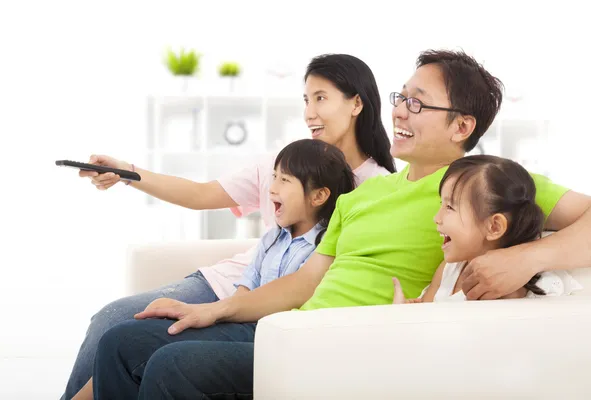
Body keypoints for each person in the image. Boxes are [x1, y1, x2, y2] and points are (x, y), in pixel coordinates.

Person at [91, 49, 591, 399]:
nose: (399, 110)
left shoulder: (479, 189)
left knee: (169, 364)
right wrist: (217, 311)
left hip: (343, 344)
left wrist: (527, 256)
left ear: (461, 126)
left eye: (417, 103)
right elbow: (306, 281)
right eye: (401, 97)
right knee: (122, 340)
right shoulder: (367, 191)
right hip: (287, 329)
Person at [61, 53, 395, 399]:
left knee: (131, 338)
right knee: (111, 319)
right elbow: (200, 193)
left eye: (321, 98)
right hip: (230, 284)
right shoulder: (282, 163)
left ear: (356, 103)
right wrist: (128, 173)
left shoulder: (378, 187)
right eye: (306, 100)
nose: (309, 112)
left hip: (274, 309)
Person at [71, 138, 356, 399]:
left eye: (284, 180)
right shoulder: (272, 238)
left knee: (162, 357)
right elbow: (244, 290)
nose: (272, 188)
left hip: (269, 334)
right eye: (274, 177)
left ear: (318, 196)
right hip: (238, 320)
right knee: (118, 339)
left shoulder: (325, 247)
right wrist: (213, 315)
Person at [392, 155, 582, 304]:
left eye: (449, 207)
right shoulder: (449, 268)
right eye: (441, 204)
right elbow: (426, 313)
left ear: (494, 227)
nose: (437, 218)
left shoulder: (506, 290)